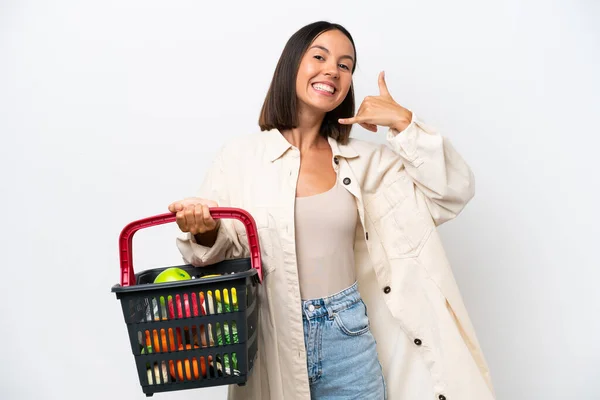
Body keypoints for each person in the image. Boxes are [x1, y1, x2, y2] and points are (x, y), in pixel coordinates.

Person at [168, 21, 495, 400]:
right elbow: (221, 252)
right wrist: (203, 229)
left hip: (349, 337)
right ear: (292, 65)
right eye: (319, 56)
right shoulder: (240, 157)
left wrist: (404, 124)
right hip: (275, 332)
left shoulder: (368, 163)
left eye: (345, 65)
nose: (332, 70)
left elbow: (452, 192)